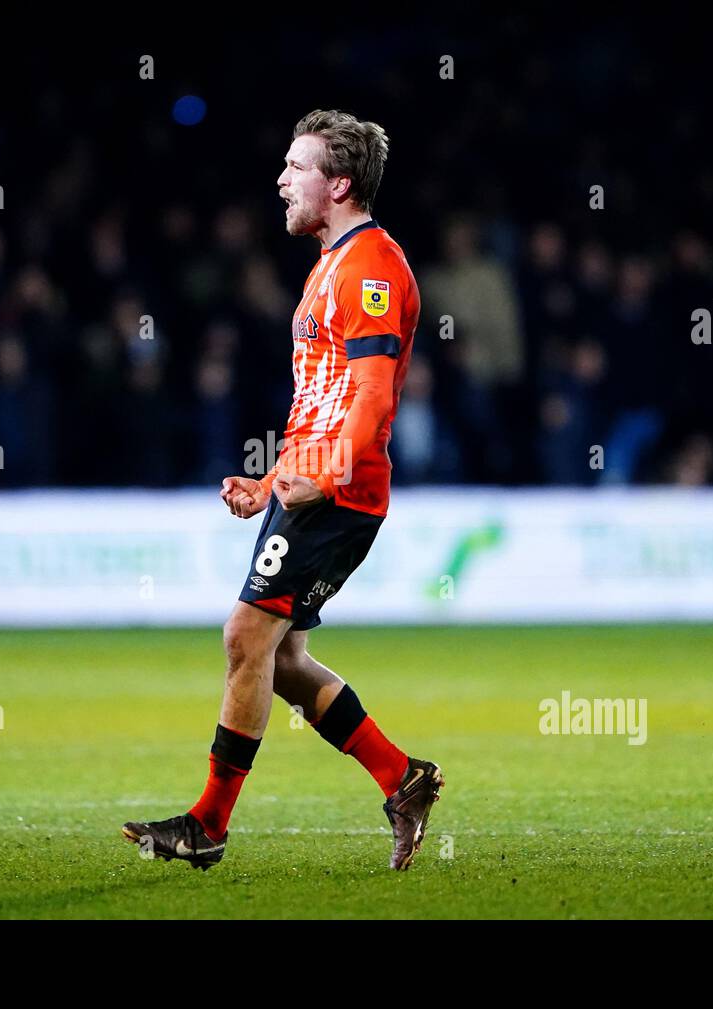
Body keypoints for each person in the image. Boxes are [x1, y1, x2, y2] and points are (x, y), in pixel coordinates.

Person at [122, 110, 443, 871]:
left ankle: (208, 824)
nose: (281, 180)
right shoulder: (330, 264)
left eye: (296, 168)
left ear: (339, 183)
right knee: (286, 659)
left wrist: (319, 479)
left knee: (245, 636)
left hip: (340, 494)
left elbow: (369, 400)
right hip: (310, 488)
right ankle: (403, 779)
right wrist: (270, 481)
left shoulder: (372, 268)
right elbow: (323, 401)